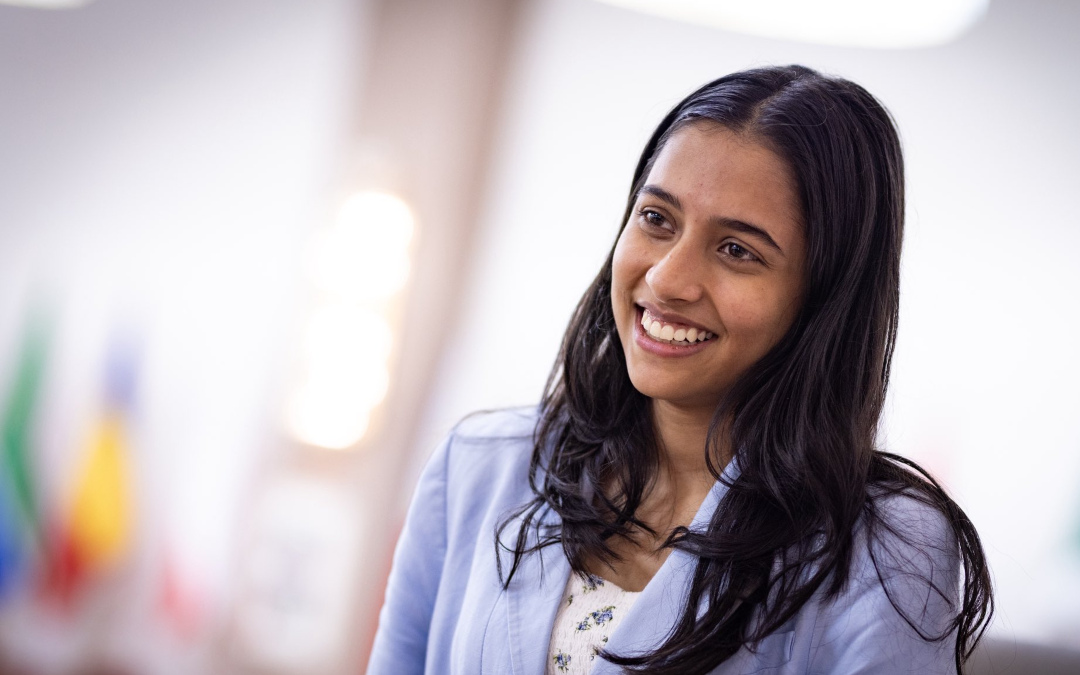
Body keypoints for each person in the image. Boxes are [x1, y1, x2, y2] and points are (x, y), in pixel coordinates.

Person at [366, 65, 993, 675]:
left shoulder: (886, 554)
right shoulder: (478, 466)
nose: (667, 278)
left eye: (736, 250)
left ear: (825, 298)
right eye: (657, 219)